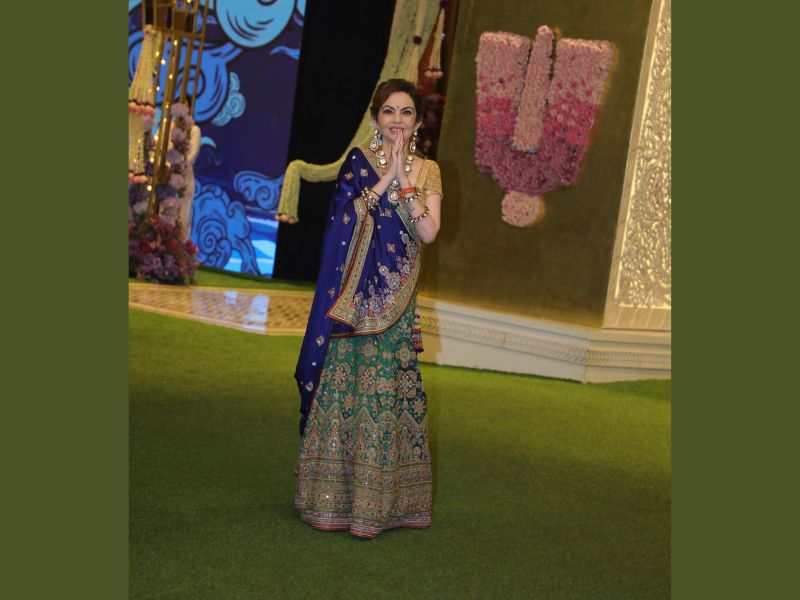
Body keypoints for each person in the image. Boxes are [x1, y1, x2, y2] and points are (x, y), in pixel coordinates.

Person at [293, 79, 442, 539]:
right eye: (389, 111)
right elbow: (343, 220)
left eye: (406, 112)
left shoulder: (430, 170)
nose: (397, 119)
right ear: (376, 118)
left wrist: (404, 179)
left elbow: (429, 232)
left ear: (418, 122)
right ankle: (330, 498)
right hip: (353, 301)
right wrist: (384, 176)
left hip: (397, 298)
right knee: (345, 386)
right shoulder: (358, 162)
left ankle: (380, 504)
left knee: (385, 391)